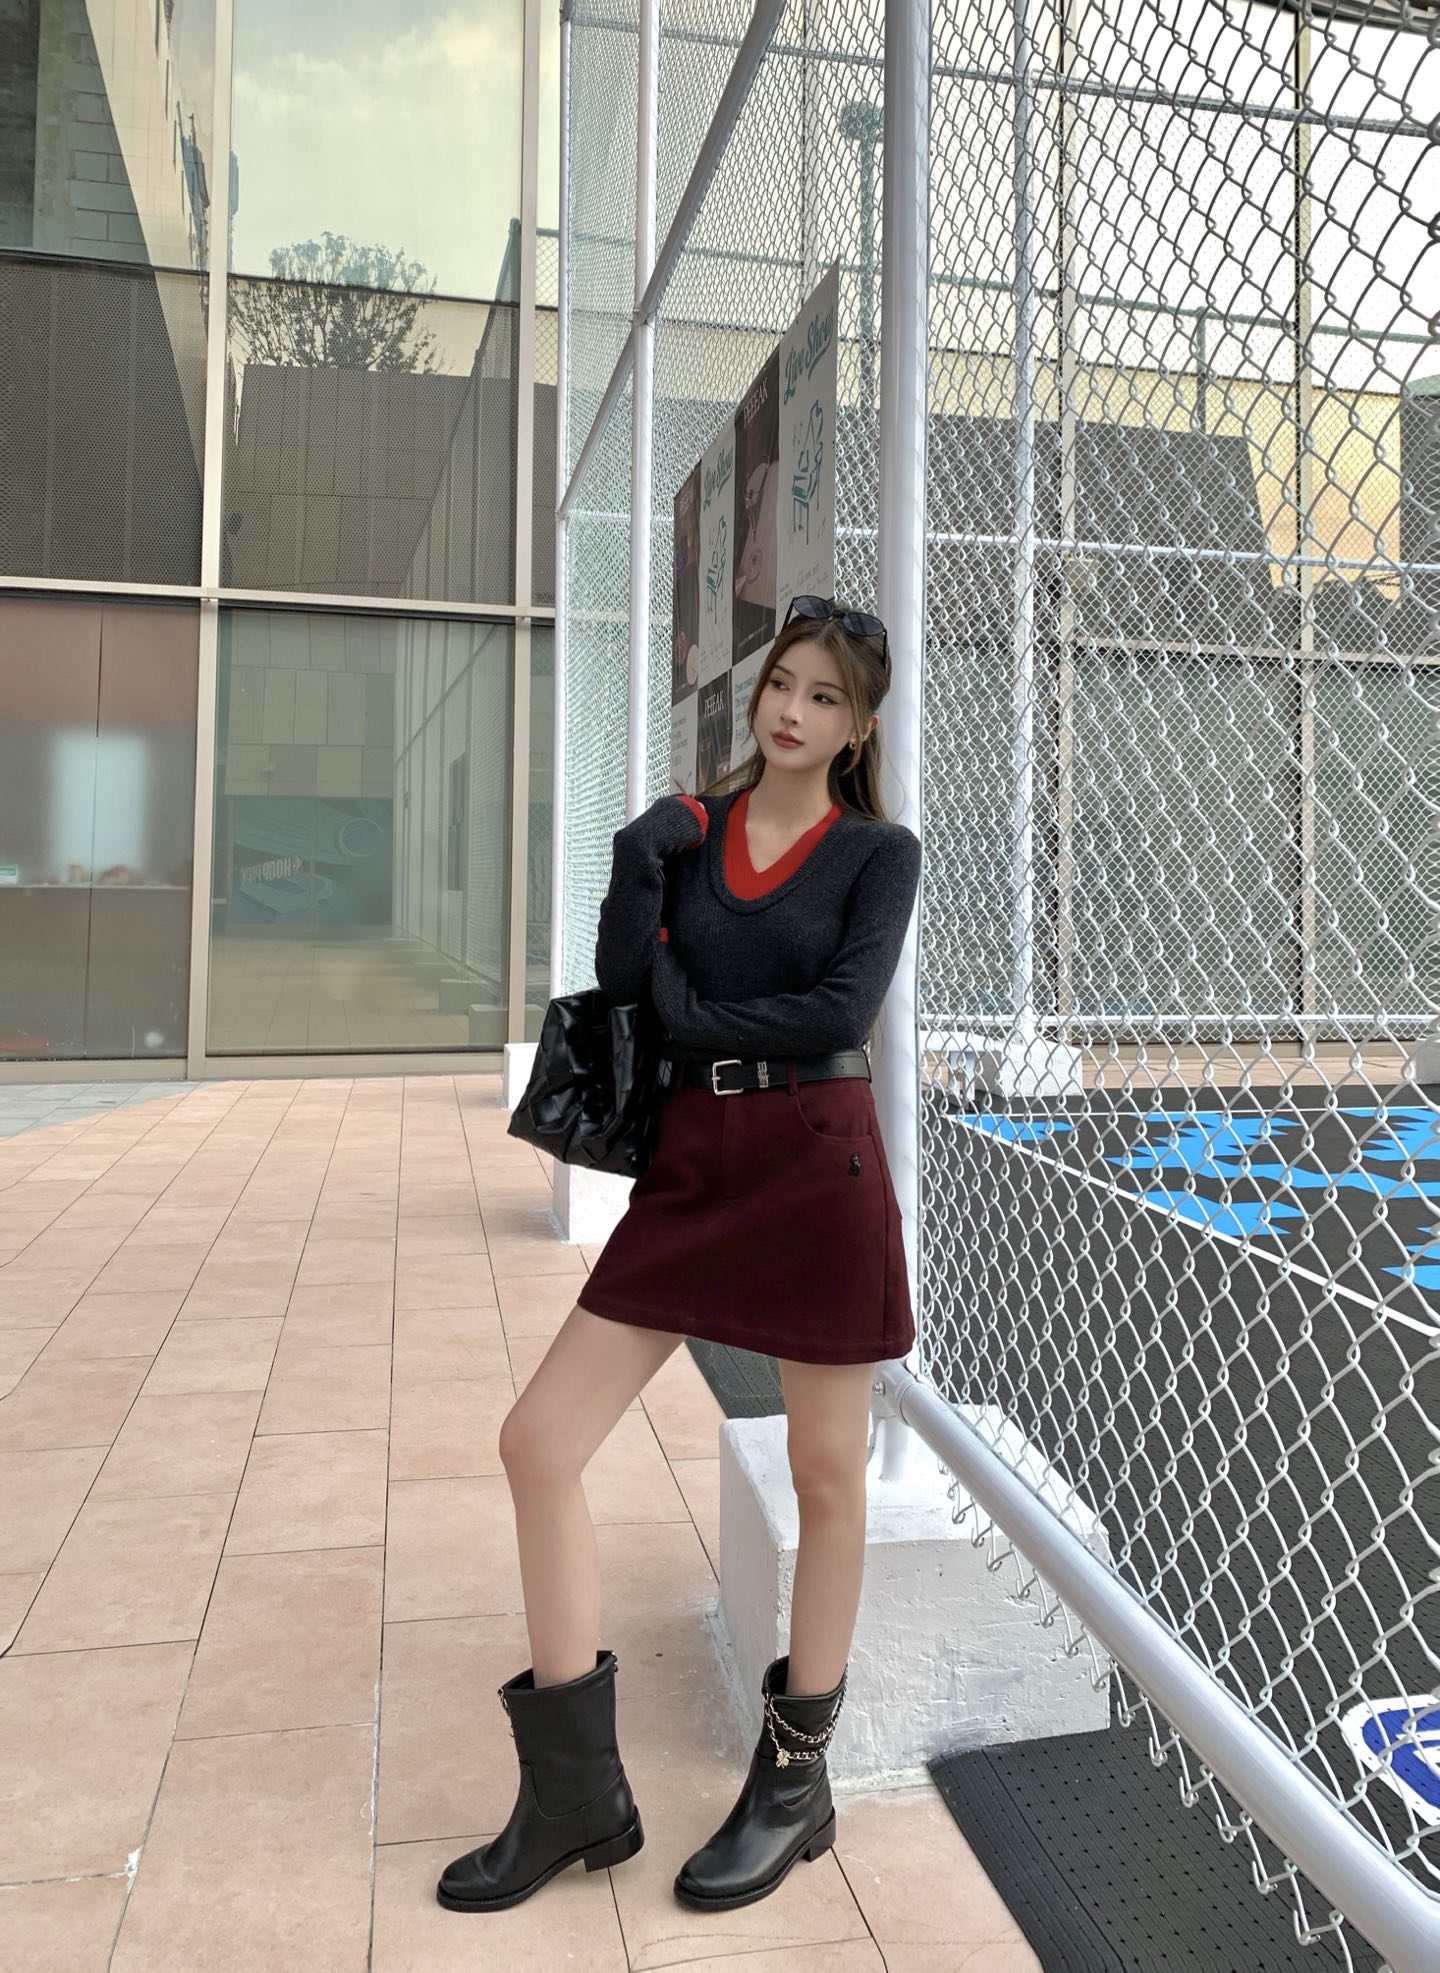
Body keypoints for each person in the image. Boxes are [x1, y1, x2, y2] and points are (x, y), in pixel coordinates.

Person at [437, 596, 922, 1917]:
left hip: (816, 1167)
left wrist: (691, 1005)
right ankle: (574, 1797)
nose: (792, 709)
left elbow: (838, 1009)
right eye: (783, 683)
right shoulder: (692, 829)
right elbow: (622, 984)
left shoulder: (877, 853)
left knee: (827, 1475)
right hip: (696, 1167)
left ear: (858, 726)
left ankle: (795, 1782)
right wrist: (636, 866)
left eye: (825, 696)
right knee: (539, 1442)